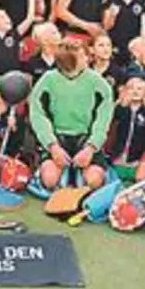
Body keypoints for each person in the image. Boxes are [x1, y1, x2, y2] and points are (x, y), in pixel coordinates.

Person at [27, 39, 115, 190]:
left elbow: (103, 120)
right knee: (49, 181)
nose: (87, 58)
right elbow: (38, 115)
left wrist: (91, 148)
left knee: (94, 181)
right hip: (57, 137)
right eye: (82, 57)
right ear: (68, 61)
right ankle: (56, 174)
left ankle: (81, 175)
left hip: (86, 138)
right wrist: (52, 146)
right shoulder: (47, 80)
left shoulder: (98, 83)